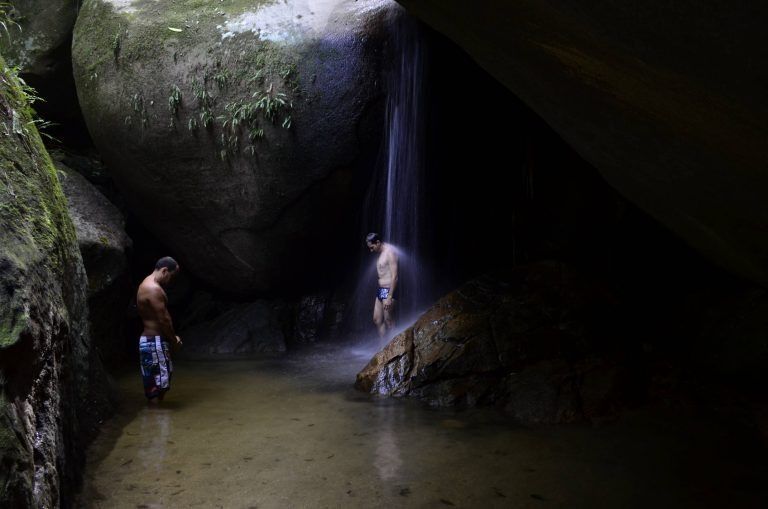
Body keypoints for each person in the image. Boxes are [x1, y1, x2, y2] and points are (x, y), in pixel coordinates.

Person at [136, 256, 182, 402]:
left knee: (154, 385)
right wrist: (173, 339)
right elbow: (164, 320)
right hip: (154, 342)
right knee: (160, 384)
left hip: (149, 341)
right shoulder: (153, 289)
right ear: (164, 271)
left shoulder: (146, 284)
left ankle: (154, 418)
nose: (170, 281)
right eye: (171, 276)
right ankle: (160, 419)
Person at [366, 233, 399, 339]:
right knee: (377, 319)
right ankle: (383, 348)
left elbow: (395, 276)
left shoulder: (390, 252)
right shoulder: (381, 253)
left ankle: (395, 347)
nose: (371, 250)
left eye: (372, 247)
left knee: (389, 320)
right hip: (381, 290)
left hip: (389, 290)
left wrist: (389, 297)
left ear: (378, 242)